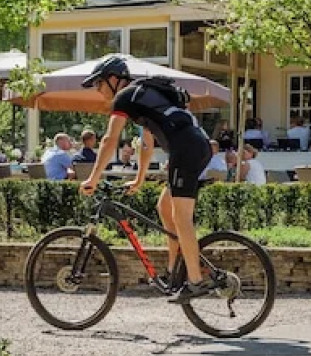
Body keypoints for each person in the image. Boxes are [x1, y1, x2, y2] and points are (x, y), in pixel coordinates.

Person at [78, 56, 215, 303]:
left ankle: (194, 282)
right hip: (195, 145)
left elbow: (110, 139)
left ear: (113, 79)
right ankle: (175, 272)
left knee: (181, 217)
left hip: (186, 148)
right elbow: (146, 145)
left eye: (99, 84)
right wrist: (140, 179)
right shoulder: (142, 97)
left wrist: (93, 177)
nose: (98, 91)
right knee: (164, 207)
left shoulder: (125, 97)